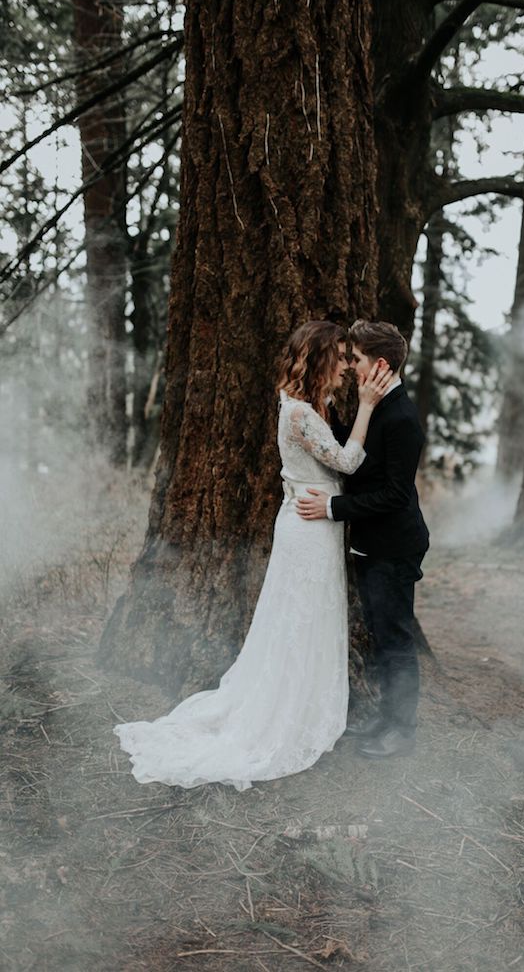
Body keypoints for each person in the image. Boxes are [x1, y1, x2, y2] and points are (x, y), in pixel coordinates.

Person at [113, 320, 393, 790]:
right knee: (300, 618)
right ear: (322, 358)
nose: (347, 367)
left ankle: (304, 706)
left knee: (308, 617)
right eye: (341, 358)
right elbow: (346, 462)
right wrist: (367, 407)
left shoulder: (308, 403)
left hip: (313, 520)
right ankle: (284, 716)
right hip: (309, 525)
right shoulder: (301, 413)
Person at [296, 320, 429, 759]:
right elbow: (348, 453)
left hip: (394, 547)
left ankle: (403, 731)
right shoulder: (374, 406)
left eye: (355, 359)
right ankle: (385, 719)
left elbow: (394, 494)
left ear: (380, 364)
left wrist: (333, 510)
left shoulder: (403, 417)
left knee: (396, 639)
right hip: (370, 545)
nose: (350, 367)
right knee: (377, 634)